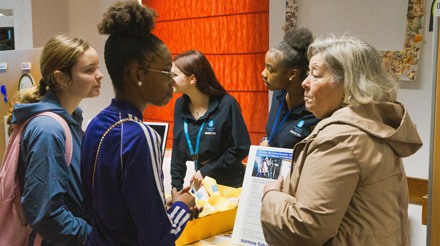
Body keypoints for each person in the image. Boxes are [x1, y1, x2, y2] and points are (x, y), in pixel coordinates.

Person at [260, 35, 423, 246]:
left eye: (316, 75)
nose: (305, 83)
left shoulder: (339, 140)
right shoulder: (371, 123)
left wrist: (271, 194)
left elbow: (306, 228)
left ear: (348, 84)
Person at [80, 1, 196, 245]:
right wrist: (182, 206)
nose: (172, 83)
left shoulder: (95, 124)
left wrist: (156, 203)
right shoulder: (140, 136)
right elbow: (159, 237)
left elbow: (107, 205)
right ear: (137, 75)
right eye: (166, 72)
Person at [9, 34, 101, 245]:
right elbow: (45, 213)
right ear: (61, 78)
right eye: (89, 70)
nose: (100, 75)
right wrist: (94, 238)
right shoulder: (48, 130)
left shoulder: (71, 121)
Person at [170, 50, 251, 191]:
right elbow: (178, 151)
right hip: (202, 186)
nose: (170, 80)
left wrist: (207, 170)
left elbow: (241, 147)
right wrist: (175, 189)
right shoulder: (179, 105)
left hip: (230, 184)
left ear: (193, 79)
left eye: (175, 75)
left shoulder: (227, 104)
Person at [260, 28, 320, 149]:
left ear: (292, 74)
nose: (263, 73)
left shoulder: (315, 109)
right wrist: (266, 140)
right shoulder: (278, 94)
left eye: (270, 70)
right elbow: (274, 133)